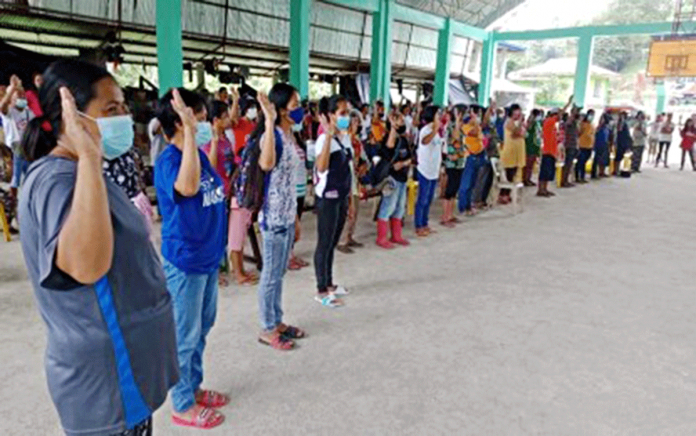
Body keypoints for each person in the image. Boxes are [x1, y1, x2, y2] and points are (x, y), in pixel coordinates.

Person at [19, 59, 178, 436]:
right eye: (111, 109)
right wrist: (89, 155)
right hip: (109, 380)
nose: (123, 117)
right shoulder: (57, 180)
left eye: (123, 107)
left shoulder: (85, 173)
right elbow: (86, 266)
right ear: (70, 116)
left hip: (128, 374)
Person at [155, 88, 228, 428]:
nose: (202, 125)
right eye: (196, 119)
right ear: (179, 122)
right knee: (184, 336)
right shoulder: (170, 161)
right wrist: (186, 127)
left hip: (207, 258)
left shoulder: (195, 154)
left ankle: (193, 387)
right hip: (186, 261)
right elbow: (186, 189)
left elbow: (209, 184)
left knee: (201, 328)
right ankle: (182, 403)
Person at [249, 83, 306, 348]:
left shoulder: (291, 135)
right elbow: (267, 164)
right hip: (272, 218)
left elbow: (289, 182)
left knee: (279, 272)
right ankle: (267, 327)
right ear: (281, 109)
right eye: (295, 105)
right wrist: (270, 123)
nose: (300, 109)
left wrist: (295, 218)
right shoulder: (271, 136)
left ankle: (277, 320)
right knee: (270, 275)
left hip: (286, 215)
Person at [314, 95, 353, 307]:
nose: (346, 117)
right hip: (327, 199)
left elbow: (349, 170)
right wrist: (328, 136)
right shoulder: (324, 140)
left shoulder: (344, 138)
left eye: (347, 113)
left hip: (341, 197)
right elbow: (321, 168)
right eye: (342, 113)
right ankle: (321, 290)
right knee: (324, 243)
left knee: (332, 243)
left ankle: (329, 283)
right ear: (330, 116)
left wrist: (351, 199)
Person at [375, 111, 412, 249]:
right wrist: (392, 127)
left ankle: (396, 236)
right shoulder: (390, 138)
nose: (403, 123)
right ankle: (381, 237)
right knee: (388, 206)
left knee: (399, 207)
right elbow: (389, 146)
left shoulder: (404, 140)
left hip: (402, 178)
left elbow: (410, 157)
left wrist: (404, 163)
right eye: (400, 121)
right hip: (391, 179)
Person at [1, 75, 35, 202]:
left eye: (23, 95)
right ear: (12, 99)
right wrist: (12, 89)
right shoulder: (9, 112)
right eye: (18, 96)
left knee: (25, 171)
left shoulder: (27, 111)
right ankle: (13, 198)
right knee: (17, 172)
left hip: (26, 146)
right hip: (14, 147)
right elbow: (2, 106)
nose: (22, 97)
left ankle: (22, 194)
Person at [338, 109, 367, 252]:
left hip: (355, 178)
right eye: (355, 122)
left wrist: (363, 165)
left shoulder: (356, 141)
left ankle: (350, 236)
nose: (358, 124)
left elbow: (362, 158)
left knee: (355, 209)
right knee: (349, 209)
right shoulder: (344, 139)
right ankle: (342, 240)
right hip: (347, 178)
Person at [414, 105, 443, 236]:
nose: (440, 117)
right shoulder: (425, 130)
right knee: (422, 199)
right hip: (425, 169)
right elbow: (425, 142)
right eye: (438, 115)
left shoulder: (436, 132)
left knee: (429, 198)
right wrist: (435, 130)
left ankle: (425, 223)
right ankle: (418, 225)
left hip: (434, 170)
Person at [537, 96, 572, 197]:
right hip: (547, 151)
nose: (561, 117)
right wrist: (568, 103)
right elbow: (561, 114)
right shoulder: (549, 121)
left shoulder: (553, 125)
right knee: (544, 172)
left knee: (548, 173)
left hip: (552, 151)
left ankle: (545, 189)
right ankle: (541, 189)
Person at [458, 105, 487, 215]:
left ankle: (469, 205)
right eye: (477, 113)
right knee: (466, 184)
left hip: (478, 155)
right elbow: (474, 132)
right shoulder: (466, 126)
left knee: (472, 183)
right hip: (469, 156)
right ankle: (463, 207)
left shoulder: (476, 125)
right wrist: (475, 121)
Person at [442, 105, 466, 225]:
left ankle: (450, 214)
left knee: (454, 189)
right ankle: (445, 217)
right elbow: (455, 138)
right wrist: (456, 122)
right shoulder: (451, 127)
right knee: (449, 190)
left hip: (460, 162)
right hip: (452, 163)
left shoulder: (461, 128)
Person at [499, 104, 526, 203]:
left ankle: (507, 194)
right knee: (509, 174)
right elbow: (515, 133)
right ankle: (503, 195)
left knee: (513, 173)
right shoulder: (509, 121)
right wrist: (520, 124)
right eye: (517, 112)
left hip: (515, 151)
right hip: (510, 152)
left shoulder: (514, 122)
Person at [561, 106, 580, 187]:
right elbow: (568, 122)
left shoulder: (576, 123)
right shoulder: (569, 122)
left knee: (570, 164)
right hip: (569, 145)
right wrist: (573, 112)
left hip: (573, 145)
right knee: (567, 164)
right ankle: (563, 181)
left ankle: (566, 180)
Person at [523, 108, 542, 187]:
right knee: (528, 164)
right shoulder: (531, 122)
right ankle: (525, 179)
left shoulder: (538, 123)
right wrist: (531, 117)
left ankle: (528, 178)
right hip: (530, 144)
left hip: (535, 145)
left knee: (531, 164)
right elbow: (528, 128)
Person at [576, 109, 595, 183]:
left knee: (584, 162)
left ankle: (582, 177)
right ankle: (578, 177)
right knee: (580, 161)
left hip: (589, 146)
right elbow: (579, 133)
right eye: (591, 114)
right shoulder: (582, 124)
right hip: (582, 145)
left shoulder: (592, 124)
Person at [593, 113, 611, 178]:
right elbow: (596, 133)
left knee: (604, 159)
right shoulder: (599, 127)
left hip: (605, 143)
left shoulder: (607, 127)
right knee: (598, 159)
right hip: (599, 144)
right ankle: (596, 172)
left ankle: (602, 172)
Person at [613, 112, 632, 176]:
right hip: (619, 141)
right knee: (618, 156)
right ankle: (615, 170)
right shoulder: (619, 123)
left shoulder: (626, 123)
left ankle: (617, 169)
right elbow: (618, 130)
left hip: (624, 141)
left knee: (621, 156)